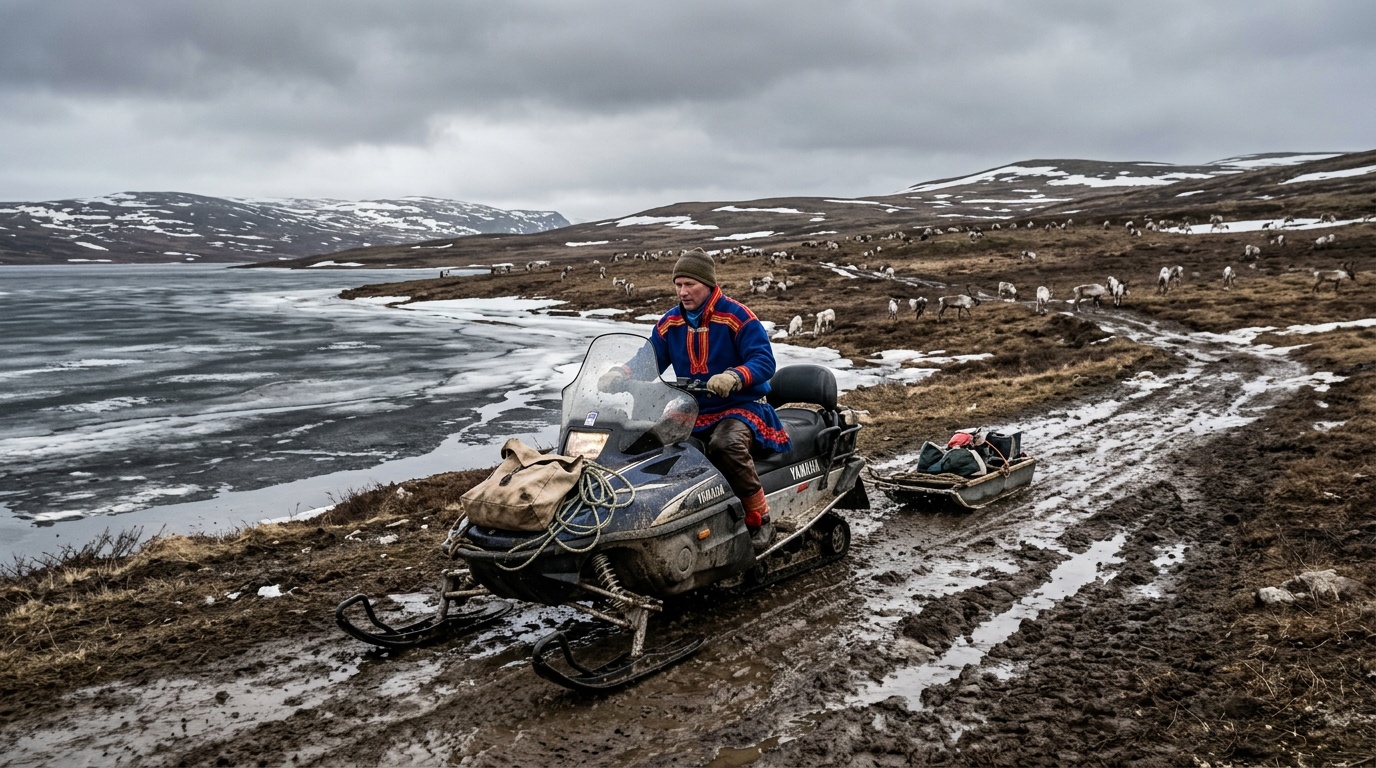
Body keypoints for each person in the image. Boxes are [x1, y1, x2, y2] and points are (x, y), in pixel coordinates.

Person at [600, 249, 790, 551]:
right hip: (693, 407)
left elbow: (764, 361)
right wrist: (620, 373)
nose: (683, 291)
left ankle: (759, 517)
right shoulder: (669, 323)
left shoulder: (738, 317)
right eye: (678, 284)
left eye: (690, 284)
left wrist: (735, 376)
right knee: (649, 444)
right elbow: (649, 360)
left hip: (741, 406)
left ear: (708, 284)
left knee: (725, 446)